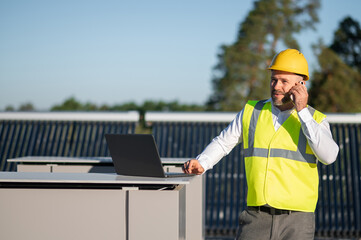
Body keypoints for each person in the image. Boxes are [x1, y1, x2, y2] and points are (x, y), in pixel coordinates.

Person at [183, 49, 339, 240]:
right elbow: (223, 142)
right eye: (274, 79)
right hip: (256, 217)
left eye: (284, 81)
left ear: (300, 85)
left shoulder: (316, 119)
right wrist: (203, 162)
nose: (276, 86)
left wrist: (303, 112)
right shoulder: (251, 111)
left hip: (297, 220)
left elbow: (329, 156)